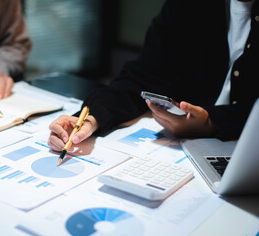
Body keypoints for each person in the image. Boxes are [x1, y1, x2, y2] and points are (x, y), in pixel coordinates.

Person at [48, 0, 259, 152]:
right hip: (184, 150)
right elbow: (142, 76)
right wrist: (93, 117)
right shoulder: (188, 6)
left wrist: (213, 121)